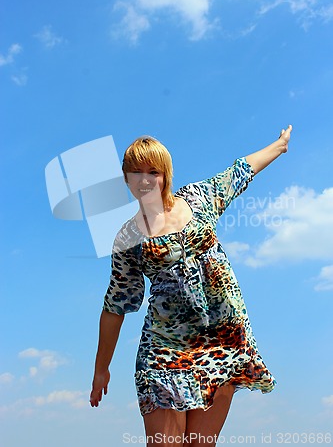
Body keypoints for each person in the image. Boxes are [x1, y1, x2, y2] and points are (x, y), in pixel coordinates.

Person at [90, 125, 293, 447]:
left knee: (200, 444)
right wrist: (101, 368)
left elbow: (240, 171)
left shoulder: (199, 198)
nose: (145, 180)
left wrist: (279, 145)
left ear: (166, 174)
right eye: (135, 172)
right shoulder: (127, 238)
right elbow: (116, 304)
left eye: (153, 171)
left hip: (222, 341)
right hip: (164, 348)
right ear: (126, 177)